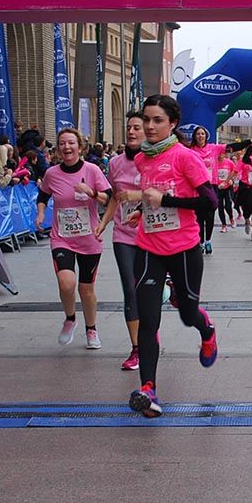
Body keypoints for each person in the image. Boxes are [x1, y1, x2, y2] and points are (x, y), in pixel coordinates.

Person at [128, 94, 219, 418]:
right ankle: (148, 390)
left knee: (187, 313)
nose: (149, 127)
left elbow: (211, 202)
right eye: (146, 120)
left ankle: (206, 330)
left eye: (157, 121)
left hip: (183, 249)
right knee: (148, 318)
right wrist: (143, 211)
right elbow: (151, 196)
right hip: (149, 248)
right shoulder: (141, 159)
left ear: (172, 124)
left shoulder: (185, 157)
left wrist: (165, 201)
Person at [35, 128, 112, 350]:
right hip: (62, 238)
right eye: (62, 144)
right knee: (66, 283)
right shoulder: (52, 173)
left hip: (89, 239)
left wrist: (91, 192)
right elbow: (44, 194)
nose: (67, 147)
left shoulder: (93, 170)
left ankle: (91, 329)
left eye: (71, 143)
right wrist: (41, 213)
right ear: (58, 148)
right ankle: (70, 319)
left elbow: (108, 199)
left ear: (80, 147)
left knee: (86, 289)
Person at [95, 112, 145, 370]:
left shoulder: (154, 160)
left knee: (148, 290)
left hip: (153, 235)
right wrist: (103, 223)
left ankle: (149, 334)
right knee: (130, 288)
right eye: (129, 128)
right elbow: (115, 196)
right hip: (124, 235)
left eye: (137, 127)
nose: (132, 132)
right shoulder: (115, 163)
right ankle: (137, 348)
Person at [189, 126, 251, 254]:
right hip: (197, 186)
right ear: (195, 137)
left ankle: (208, 241)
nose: (200, 136)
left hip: (212, 185)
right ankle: (200, 242)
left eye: (202, 134)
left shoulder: (213, 148)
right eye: (198, 134)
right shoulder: (190, 151)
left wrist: (248, 142)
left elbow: (232, 147)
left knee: (210, 214)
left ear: (206, 136)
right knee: (199, 216)